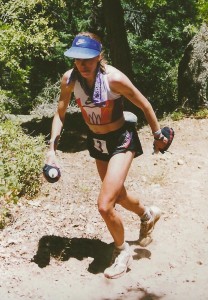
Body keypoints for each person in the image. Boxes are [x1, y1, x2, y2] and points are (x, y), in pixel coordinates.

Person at [46, 32, 168, 279]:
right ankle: (147, 214)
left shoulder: (115, 79)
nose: (82, 64)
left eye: (88, 59)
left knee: (104, 205)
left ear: (98, 56)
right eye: (77, 59)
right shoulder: (69, 80)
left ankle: (121, 252)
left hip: (122, 139)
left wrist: (158, 134)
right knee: (118, 195)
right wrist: (51, 149)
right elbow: (60, 114)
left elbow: (144, 104)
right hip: (97, 142)